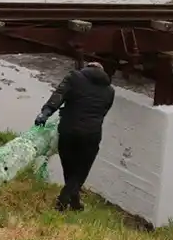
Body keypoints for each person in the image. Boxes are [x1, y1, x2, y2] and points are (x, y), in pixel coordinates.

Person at [34, 62, 115, 211]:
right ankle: (73, 200)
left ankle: (65, 199)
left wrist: (45, 113)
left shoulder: (74, 77)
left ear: (87, 68)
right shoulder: (109, 91)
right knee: (81, 170)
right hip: (91, 134)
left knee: (69, 167)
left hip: (68, 130)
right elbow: (103, 112)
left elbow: (58, 95)